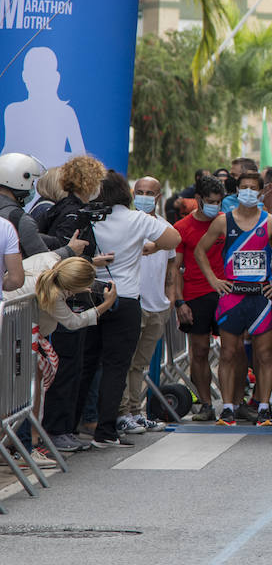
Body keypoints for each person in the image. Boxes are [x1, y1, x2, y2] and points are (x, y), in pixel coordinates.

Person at [84, 170, 181, 447]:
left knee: (87, 363)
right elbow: (173, 239)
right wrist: (149, 247)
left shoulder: (88, 216)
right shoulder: (136, 219)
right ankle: (106, 430)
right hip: (125, 297)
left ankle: (74, 424)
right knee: (117, 367)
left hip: (91, 294)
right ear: (126, 193)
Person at [194, 172, 272, 426]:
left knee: (265, 355)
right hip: (232, 296)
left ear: (262, 192)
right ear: (237, 191)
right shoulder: (223, 221)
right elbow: (200, 250)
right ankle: (228, 407)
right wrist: (214, 281)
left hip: (261, 298)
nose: (249, 192)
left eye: (254, 188)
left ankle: (264, 407)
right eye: (244, 187)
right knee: (229, 353)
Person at [32, 256, 114, 452]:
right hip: (24, 332)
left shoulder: (51, 262)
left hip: (31, 332)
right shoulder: (55, 295)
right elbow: (73, 323)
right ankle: (33, 439)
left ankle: (34, 437)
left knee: (38, 383)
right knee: (36, 385)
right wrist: (106, 304)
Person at [119, 176, 174, 434]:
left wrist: (170, 299)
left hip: (157, 307)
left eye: (149, 192)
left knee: (139, 364)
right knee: (125, 361)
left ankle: (135, 411)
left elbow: (172, 268)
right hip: (133, 302)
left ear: (158, 196)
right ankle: (122, 413)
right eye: (139, 191)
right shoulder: (127, 224)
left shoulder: (164, 228)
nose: (143, 196)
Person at [171, 176, 225, 421]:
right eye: (211, 201)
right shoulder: (182, 227)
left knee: (233, 351)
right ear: (200, 200)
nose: (216, 206)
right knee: (200, 351)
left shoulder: (227, 223)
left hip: (228, 293)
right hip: (196, 295)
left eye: (220, 201)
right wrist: (179, 302)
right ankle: (205, 403)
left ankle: (235, 402)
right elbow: (175, 269)